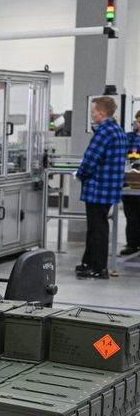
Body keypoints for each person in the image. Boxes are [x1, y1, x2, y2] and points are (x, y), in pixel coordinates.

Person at [76, 96, 129, 279]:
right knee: (97, 226)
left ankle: (98, 267)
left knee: (97, 228)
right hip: (109, 188)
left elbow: (90, 159)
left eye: (93, 112)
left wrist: (79, 174)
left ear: (101, 112)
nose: (92, 115)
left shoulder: (104, 132)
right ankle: (89, 262)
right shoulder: (118, 130)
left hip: (98, 189)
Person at [121, 110, 140, 256]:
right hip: (129, 179)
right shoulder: (129, 136)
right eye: (138, 120)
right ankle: (132, 244)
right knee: (131, 215)